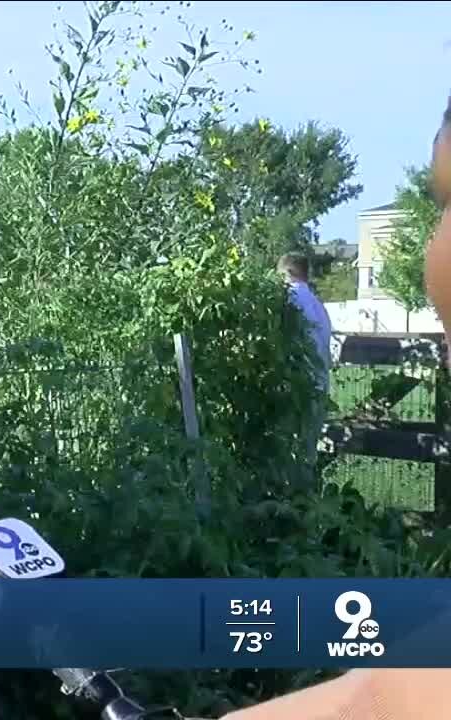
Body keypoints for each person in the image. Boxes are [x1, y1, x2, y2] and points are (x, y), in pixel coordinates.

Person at [216, 96, 451, 720]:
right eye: (443, 209)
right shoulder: (317, 302)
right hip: (316, 386)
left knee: (297, 452)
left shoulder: (293, 303)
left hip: (300, 390)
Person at [278, 252, 332, 480]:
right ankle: (305, 507)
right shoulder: (319, 306)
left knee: (285, 455)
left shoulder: (289, 297)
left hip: (296, 387)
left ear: (287, 273)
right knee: (307, 456)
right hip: (319, 385)